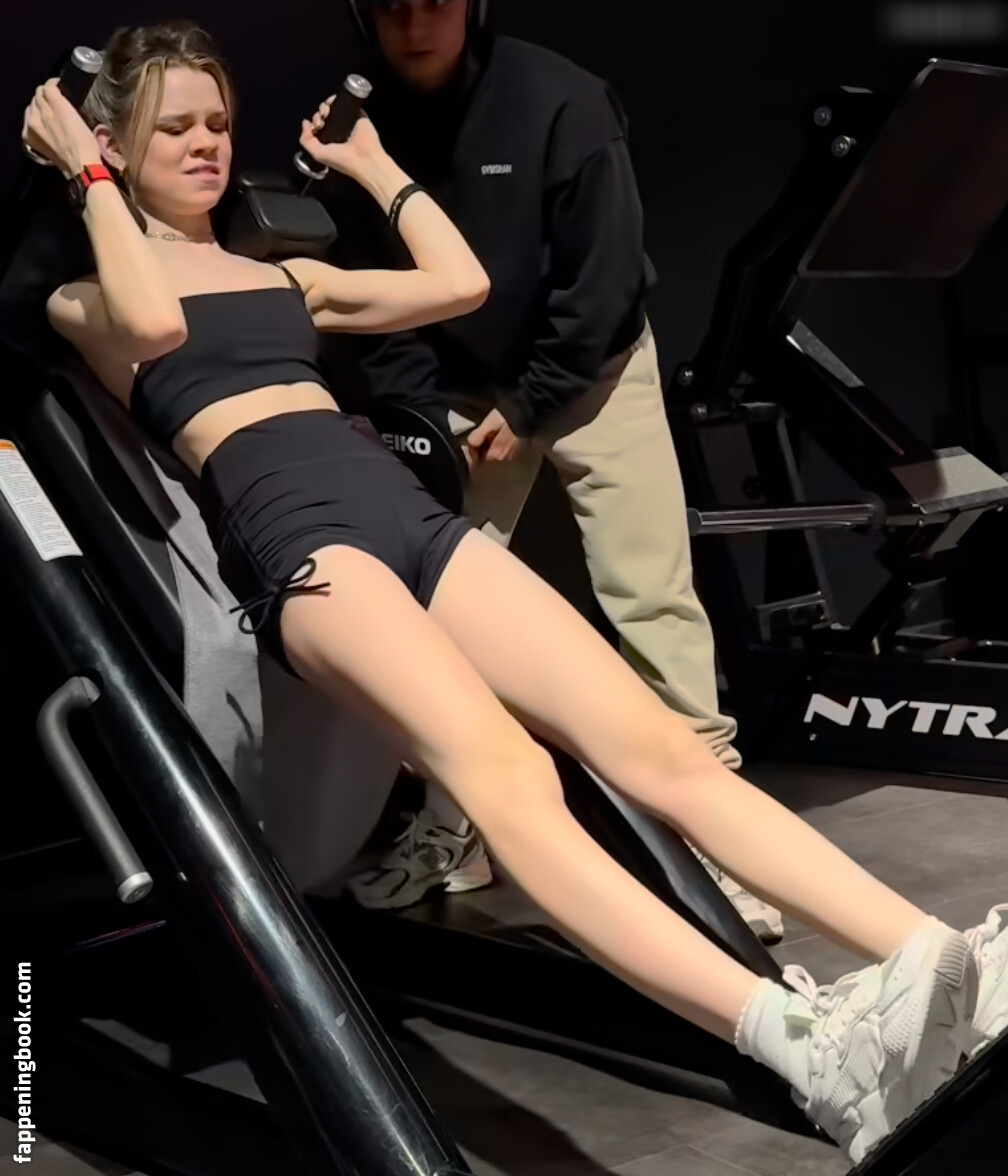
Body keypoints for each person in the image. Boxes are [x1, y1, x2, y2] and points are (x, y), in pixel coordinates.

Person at [22, 20, 1008, 1166]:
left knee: (660, 747)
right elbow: (151, 324)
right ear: (111, 143)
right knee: (508, 776)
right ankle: (805, 1048)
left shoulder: (285, 277)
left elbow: (460, 282)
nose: (207, 145)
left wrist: (374, 167)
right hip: (302, 542)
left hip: (409, 516)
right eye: (174, 128)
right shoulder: (87, 296)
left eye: (219, 123)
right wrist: (86, 175)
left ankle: (945, 967)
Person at [324, 0, 781, 940]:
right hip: (459, 384)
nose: (416, 21)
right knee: (438, 613)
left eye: (436, 0)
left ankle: (720, 843)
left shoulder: (560, 100)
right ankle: (457, 824)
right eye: (394, 3)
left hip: (591, 368)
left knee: (649, 595)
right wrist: (425, 415)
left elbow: (602, 278)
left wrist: (533, 403)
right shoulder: (354, 125)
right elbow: (369, 298)